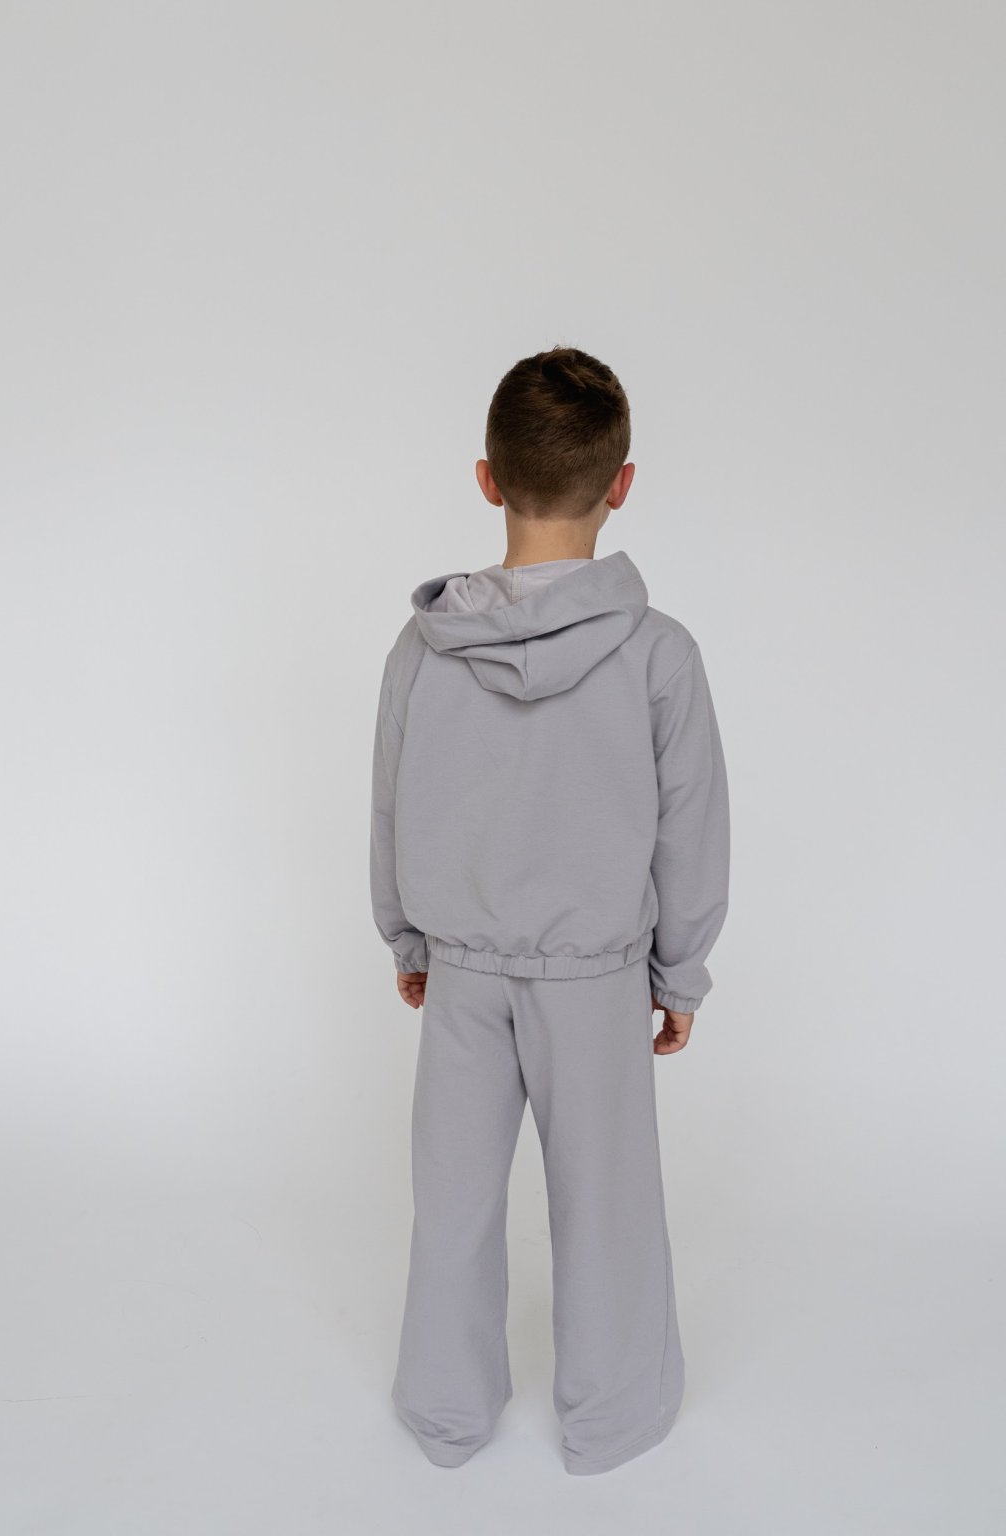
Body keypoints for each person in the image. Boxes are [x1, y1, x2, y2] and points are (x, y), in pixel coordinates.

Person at [369, 344, 730, 1476]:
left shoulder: (422, 647)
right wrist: (679, 972)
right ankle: (613, 1418)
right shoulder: (659, 654)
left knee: (453, 1205)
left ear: (487, 478)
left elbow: (392, 799)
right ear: (622, 483)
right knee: (607, 1205)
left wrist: (408, 934)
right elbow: (691, 825)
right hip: (596, 977)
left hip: (463, 972)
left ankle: (446, 1411)